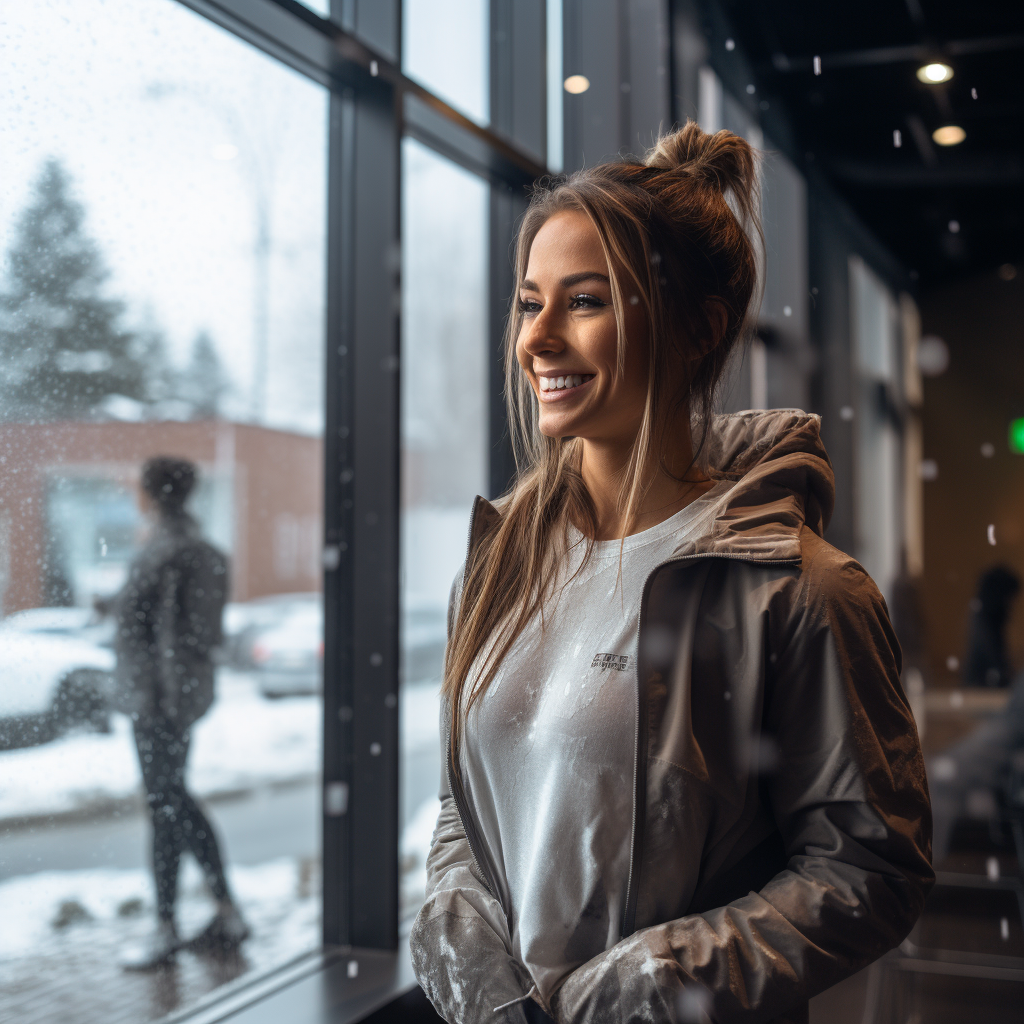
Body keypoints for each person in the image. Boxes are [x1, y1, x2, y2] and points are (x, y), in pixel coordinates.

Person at [409, 122, 933, 1024]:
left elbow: (870, 867)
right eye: (529, 301)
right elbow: (472, 803)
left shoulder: (802, 591)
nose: (538, 339)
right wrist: (460, 933)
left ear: (699, 326)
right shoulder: (499, 569)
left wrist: (662, 981)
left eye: (586, 300)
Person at [97, 456, 248, 969]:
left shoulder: (167, 551)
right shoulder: (195, 550)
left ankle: (169, 924)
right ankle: (223, 911)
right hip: (173, 697)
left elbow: (168, 635)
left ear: (149, 493)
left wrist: (162, 702)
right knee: (171, 799)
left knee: (165, 804)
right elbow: (192, 631)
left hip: (157, 700)